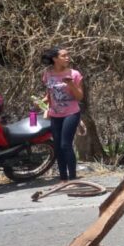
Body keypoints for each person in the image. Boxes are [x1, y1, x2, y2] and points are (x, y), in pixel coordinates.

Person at [41, 46, 84, 181]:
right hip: (55, 114)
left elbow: (79, 97)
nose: (67, 58)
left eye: (68, 55)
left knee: (66, 144)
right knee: (58, 146)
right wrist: (42, 101)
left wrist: (71, 84)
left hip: (71, 113)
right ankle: (63, 178)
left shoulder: (74, 74)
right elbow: (49, 94)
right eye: (63, 56)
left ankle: (72, 178)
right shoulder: (48, 74)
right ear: (55, 59)